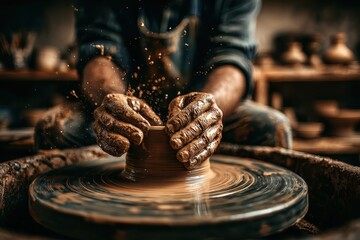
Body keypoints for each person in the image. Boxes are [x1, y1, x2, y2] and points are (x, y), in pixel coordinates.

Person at [35, 0, 291, 170]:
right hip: (125, 105)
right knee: (54, 130)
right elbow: (98, 50)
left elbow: (233, 59)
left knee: (272, 128)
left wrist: (207, 110)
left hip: (204, 102)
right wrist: (111, 99)